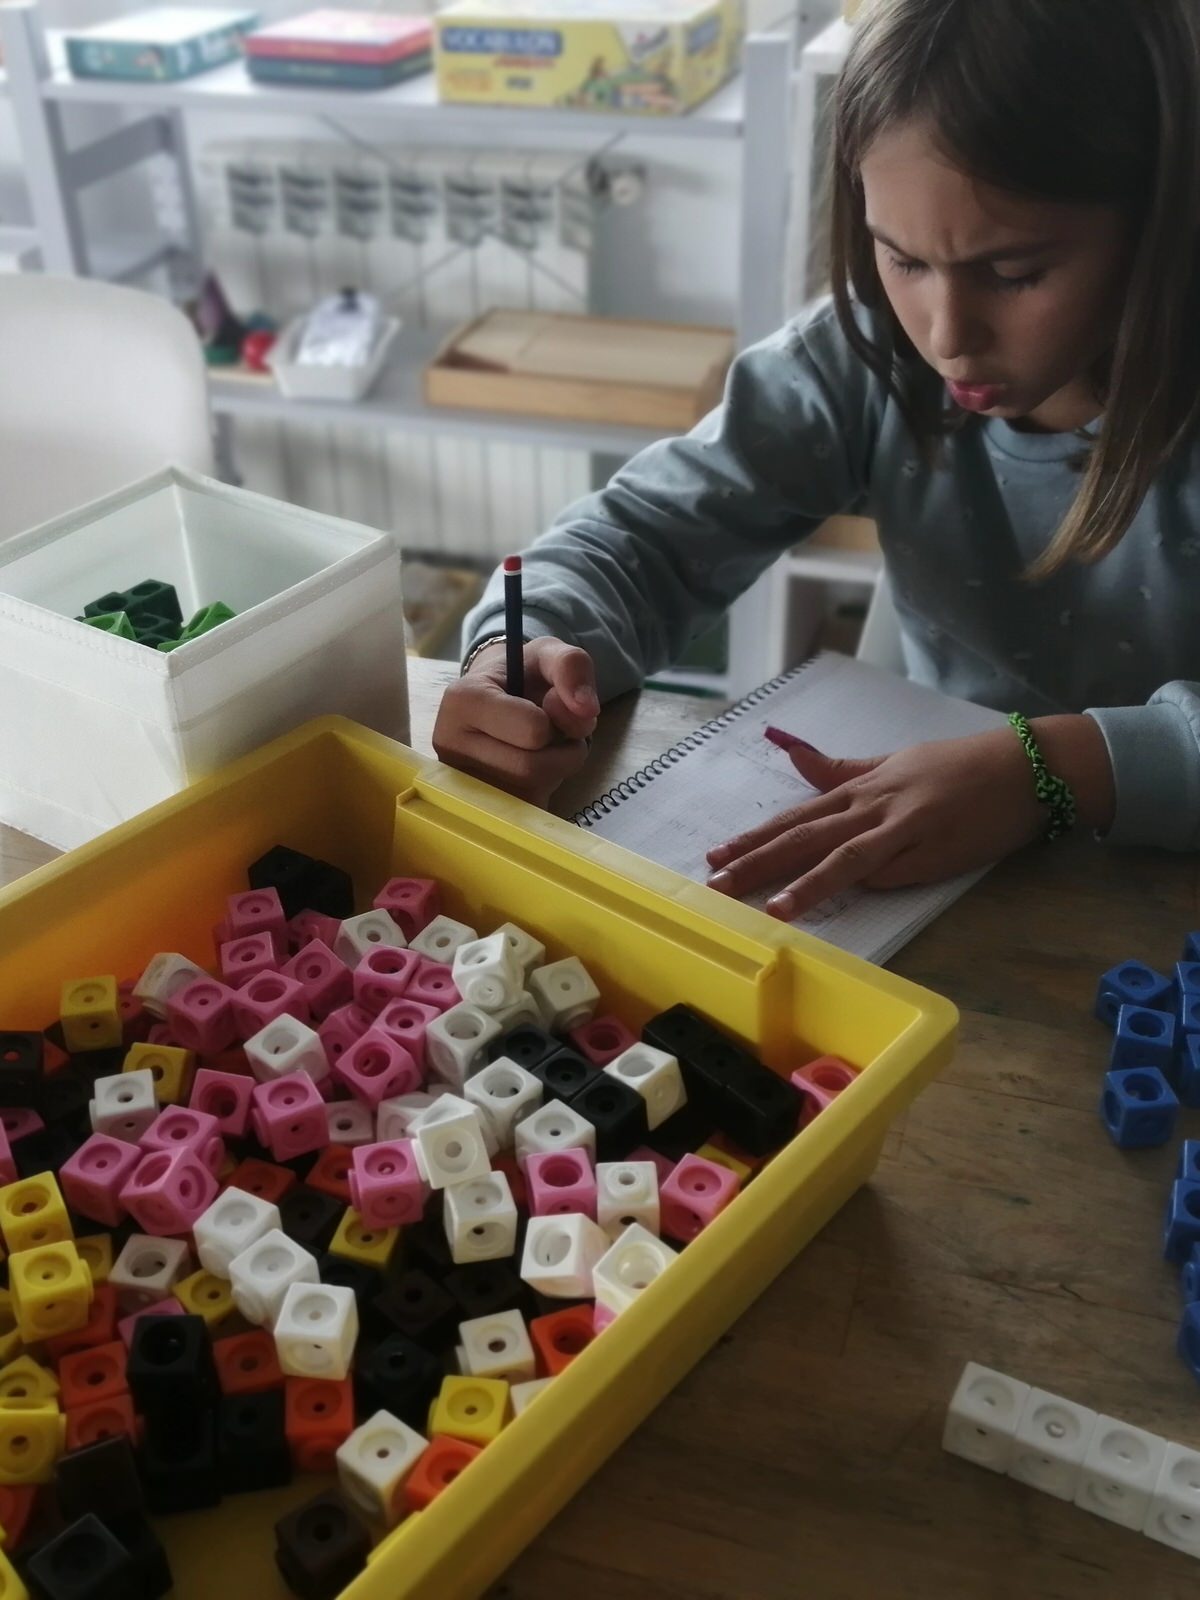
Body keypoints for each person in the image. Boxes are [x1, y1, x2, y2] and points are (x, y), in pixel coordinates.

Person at [433, 0, 1200, 922]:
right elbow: (638, 538)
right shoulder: (863, 358)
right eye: (901, 258)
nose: (948, 338)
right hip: (942, 884)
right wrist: (518, 649)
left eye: (1014, 274)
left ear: (1159, 220)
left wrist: (1056, 770)